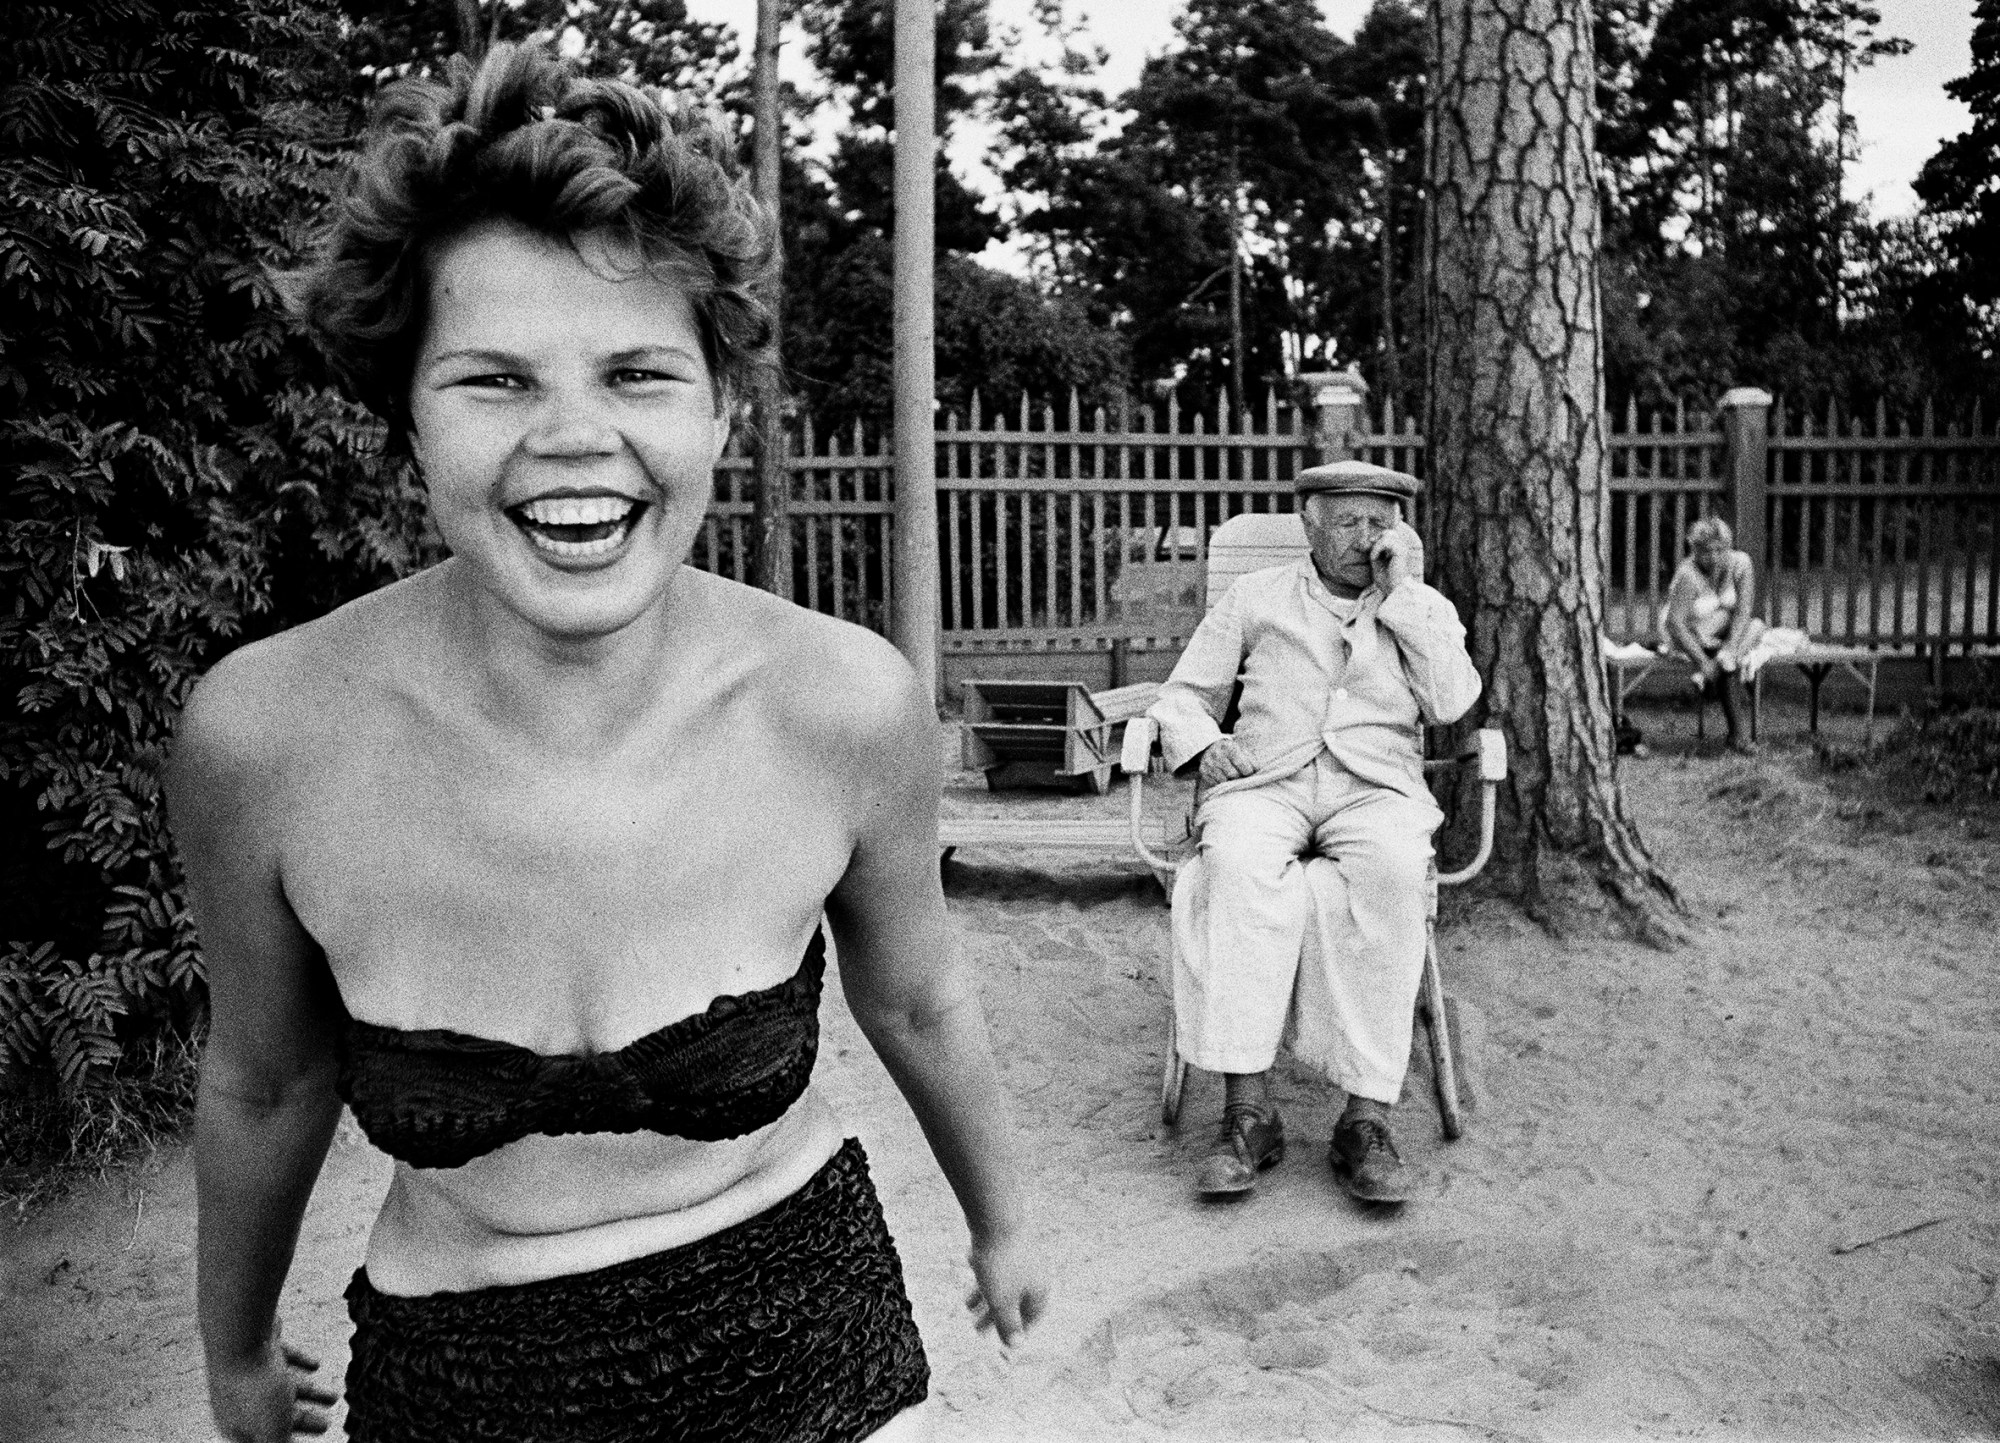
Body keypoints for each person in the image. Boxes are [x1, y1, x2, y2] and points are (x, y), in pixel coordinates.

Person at [166, 45, 1045, 1443]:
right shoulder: (267, 738)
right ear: (407, 415)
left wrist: (1003, 1220)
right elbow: (266, 1077)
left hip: (807, 1324)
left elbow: (924, 993)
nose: (574, 437)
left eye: (637, 371)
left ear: (720, 407)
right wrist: (234, 1352)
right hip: (468, 1371)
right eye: (495, 380)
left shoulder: (845, 703)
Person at [1146, 461, 1482, 1206]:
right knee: (1231, 863)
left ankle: (1365, 1121)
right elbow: (1182, 692)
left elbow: (1454, 700)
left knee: (1393, 872)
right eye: (1349, 523)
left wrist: (1405, 599)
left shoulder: (1415, 604)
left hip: (1376, 786)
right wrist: (1204, 746)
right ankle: (1247, 1114)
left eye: (1379, 524)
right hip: (1268, 779)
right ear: (1309, 522)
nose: (1366, 539)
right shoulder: (1256, 595)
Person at [1659, 515, 1766, 756]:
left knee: (1756, 627)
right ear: (1694, 550)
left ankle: (1722, 661)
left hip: (1723, 632)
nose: (1714, 557)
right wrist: (1703, 662)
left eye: (1720, 550)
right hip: (1688, 633)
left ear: (1728, 547)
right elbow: (1674, 623)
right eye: (1706, 551)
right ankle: (1739, 737)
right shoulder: (1688, 574)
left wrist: (1729, 649)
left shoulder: (1741, 564)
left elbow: (1744, 610)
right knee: (1727, 652)